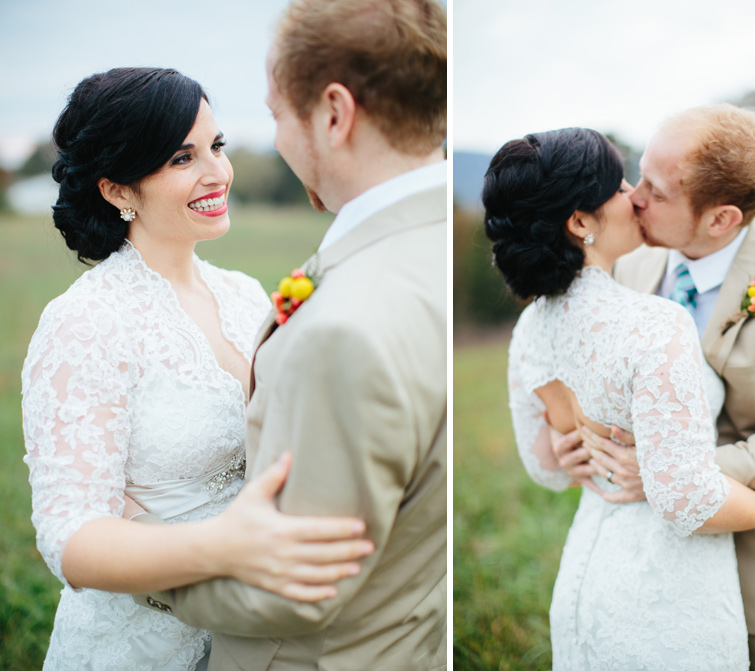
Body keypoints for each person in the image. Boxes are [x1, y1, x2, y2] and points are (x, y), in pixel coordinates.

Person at [21, 67, 374, 670]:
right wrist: (223, 547)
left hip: (257, 637)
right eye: (182, 158)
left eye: (216, 146)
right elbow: (70, 539)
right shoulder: (85, 322)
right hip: (141, 644)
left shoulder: (245, 296)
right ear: (118, 190)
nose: (217, 173)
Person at [133, 1, 448, 669]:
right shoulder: (436, 247)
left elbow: (294, 591)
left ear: (334, 114)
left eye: (277, 113)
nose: (272, 140)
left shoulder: (344, 330)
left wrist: (143, 557)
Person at [484, 127, 755, 670]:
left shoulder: (530, 327)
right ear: (579, 221)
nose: (634, 196)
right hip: (666, 595)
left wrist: (571, 445)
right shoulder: (653, 321)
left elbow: (546, 468)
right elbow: (687, 500)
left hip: (585, 586)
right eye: (619, 186)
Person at [569, 104, 755, 670]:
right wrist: (577, 440)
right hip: (670, 576)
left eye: (655, 191)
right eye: (639, 175)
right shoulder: (629, 267)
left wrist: (666, 469)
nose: (633, 198)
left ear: (721, 219)